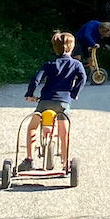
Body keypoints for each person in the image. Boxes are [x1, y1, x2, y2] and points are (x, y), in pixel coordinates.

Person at [24, 31, 86, 166]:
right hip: (63, 103)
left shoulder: (49, 63)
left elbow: (36, 79)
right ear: (72, 47)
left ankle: (29, 159)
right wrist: (74, 93)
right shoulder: (76, 64)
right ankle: (66, 163)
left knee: (32, 128)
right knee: (64, 134)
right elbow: (83, 78)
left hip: (45, 101)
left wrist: (30, 94)